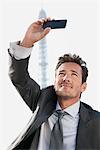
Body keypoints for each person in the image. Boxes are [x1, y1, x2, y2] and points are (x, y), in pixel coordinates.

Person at [8, 18, 100, 150]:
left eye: (74, 74)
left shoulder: (96, 122)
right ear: (55, 81)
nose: (66, 78)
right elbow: (19, 77)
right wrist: (27, 42)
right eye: (61, 73)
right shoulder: (42, 102)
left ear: (83, 86)